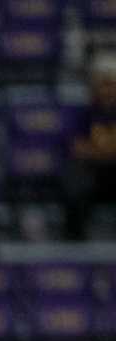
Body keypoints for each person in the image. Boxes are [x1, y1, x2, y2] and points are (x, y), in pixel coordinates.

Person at [61, 52, 116, 242]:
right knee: (74, 178)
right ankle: (74, 240)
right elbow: (77, 149)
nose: (108, 90)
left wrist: (97, 151)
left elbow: (87, 149)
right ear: (94, 86)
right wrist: (108, 153)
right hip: (94, 174)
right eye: (103, 84)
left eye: (112, 84)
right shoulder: (83, 114)